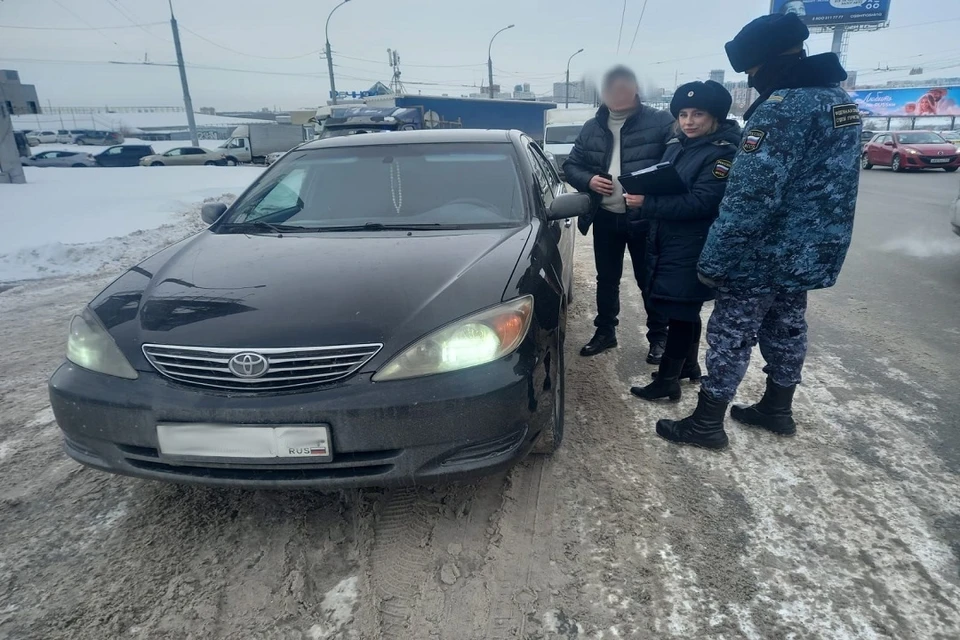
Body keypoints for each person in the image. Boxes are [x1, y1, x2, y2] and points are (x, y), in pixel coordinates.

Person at [656, 12, 861, 450]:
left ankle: (707, 423)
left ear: (766, 62)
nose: (751, 78)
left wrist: (715, 259)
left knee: (731, 333)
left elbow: (751, 196)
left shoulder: (783, 109)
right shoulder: (839, 102)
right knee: (787, 326)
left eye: (750, 70)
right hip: (807, 250)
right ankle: (776, 407)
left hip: (762, 251)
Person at [626, 81, 741, 403]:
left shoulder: (722, 154)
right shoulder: (678, 146)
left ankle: (667, 380)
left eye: (698, 114)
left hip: (693, 243)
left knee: (681, 311)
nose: (689, 121)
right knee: (682, 310)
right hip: (668, 240)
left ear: (715, 117)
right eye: (683, 114)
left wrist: (645, 203)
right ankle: (687, 366)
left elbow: (702, 203)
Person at [563, 66, 674, 362]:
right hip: (606, 216)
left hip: (645, 218)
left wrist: (650, 196)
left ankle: (659, 337)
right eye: (611, 87)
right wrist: (588, 180)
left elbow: (675, 166)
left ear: (636, 87)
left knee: (648, 278)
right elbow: (571, 165)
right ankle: (605, 332)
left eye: (624, 86)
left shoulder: (661, 122)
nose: (617, 92)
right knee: (607, 278)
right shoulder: (592, 127)